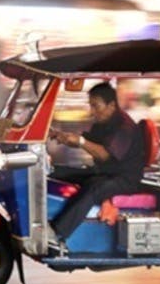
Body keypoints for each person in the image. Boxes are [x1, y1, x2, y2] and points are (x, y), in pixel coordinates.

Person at [47, 82, 146, 247]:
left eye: (96, 106)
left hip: (124, 179)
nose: (92, 111)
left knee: (94, 188)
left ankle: (58, 232)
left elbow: (104, 154)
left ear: (111, 105)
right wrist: (62, 136)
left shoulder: (125, 128)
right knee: (57, 172)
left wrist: (79, 141)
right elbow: (88, 142)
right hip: (104, 173)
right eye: (91, 105)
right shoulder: (102, 124)